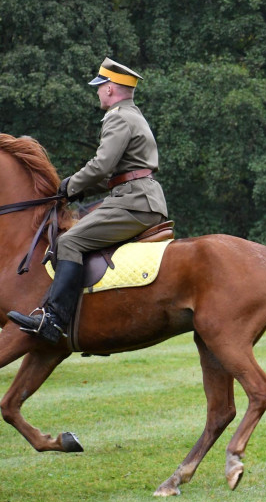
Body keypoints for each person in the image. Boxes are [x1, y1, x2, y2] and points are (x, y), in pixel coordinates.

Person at [7, 57, 168, 344]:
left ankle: (54, 319)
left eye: (99, 86)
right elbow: (117, 173)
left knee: (69, 242)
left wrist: (66, 186)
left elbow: (102, 165)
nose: (96, 92)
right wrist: (79, 191)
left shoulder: (118, 117)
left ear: (110, 89)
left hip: (134, 202)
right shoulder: (133, 115)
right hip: (136, 197)